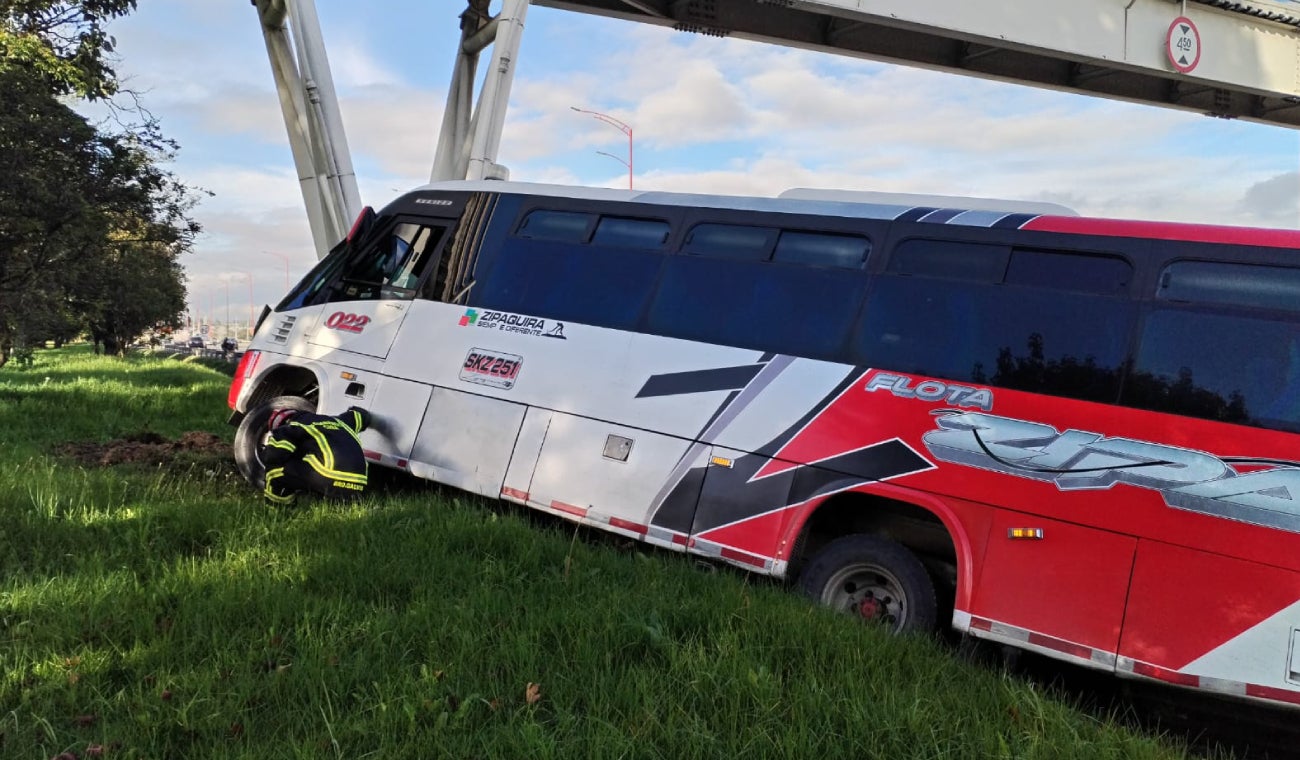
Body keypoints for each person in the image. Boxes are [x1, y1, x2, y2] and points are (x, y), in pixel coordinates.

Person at [261, 406, 373, 505]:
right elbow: (362, 415)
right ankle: (334, 500)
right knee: (315, 460)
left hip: (330, 478)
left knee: (273, 473)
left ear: (283, 423)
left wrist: (267, 450)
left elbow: (274, 457)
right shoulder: (340, 422)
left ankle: (278, 511)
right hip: (359, 483)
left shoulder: (293, 426)